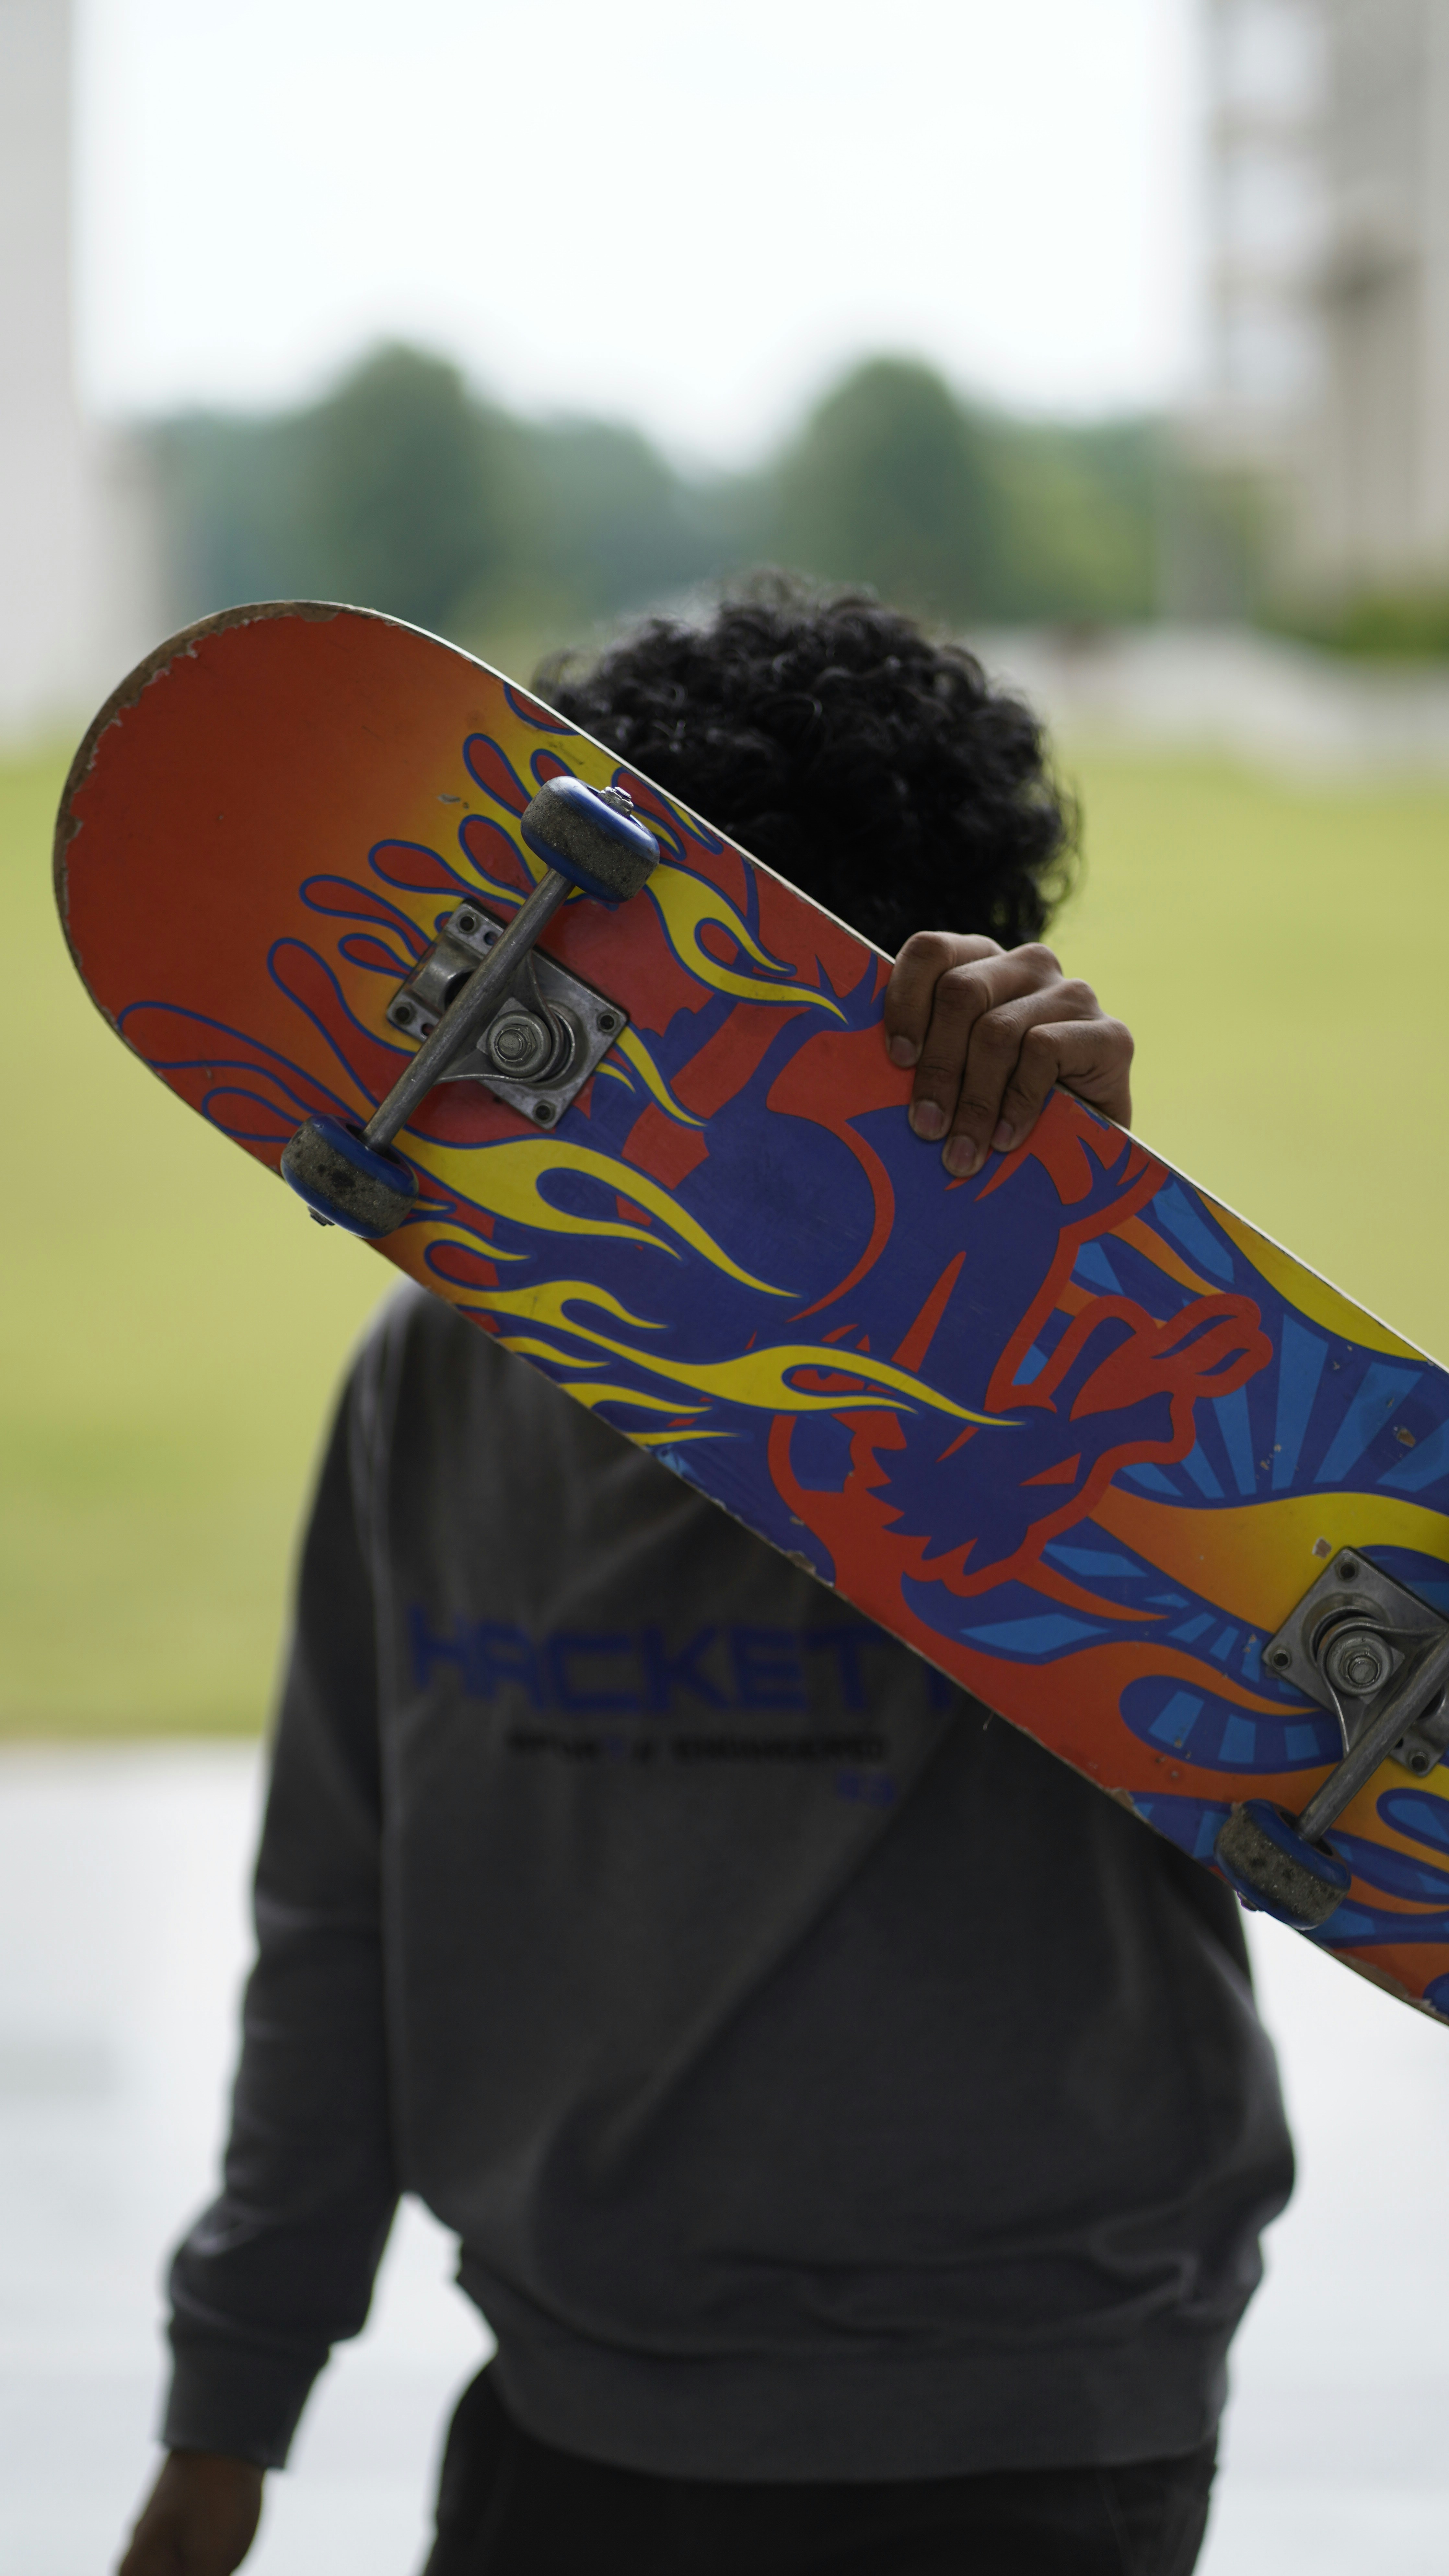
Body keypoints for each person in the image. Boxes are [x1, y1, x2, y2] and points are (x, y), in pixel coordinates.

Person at [116, 581, 1292, 2576]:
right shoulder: (436, 1378)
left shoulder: (1090, 1355)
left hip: (1032, 2417)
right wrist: (225, 2423)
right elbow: (337, 1911)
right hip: (571, 2398)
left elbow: (1302, 1694)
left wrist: (1106, 1270)